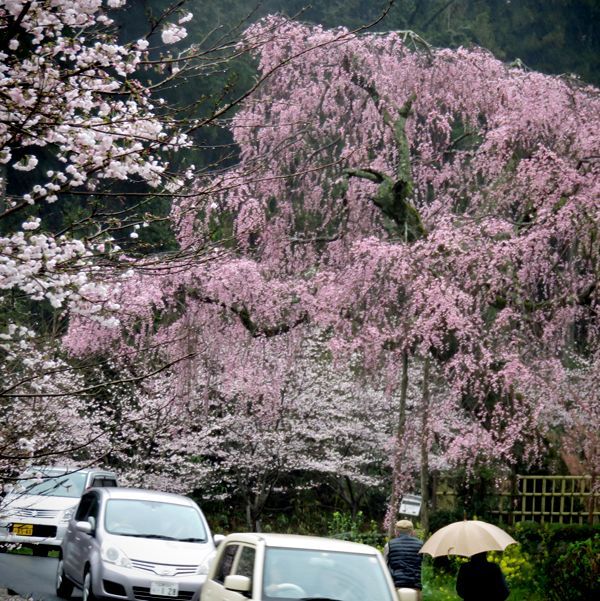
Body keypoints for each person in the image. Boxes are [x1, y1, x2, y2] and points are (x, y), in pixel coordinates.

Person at [384, 519, 423, 599]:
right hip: (415, 586)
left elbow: (385, 566)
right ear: (412, 532)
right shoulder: (421, 545)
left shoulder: (389, 545)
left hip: (396, 586)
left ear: (396, 532)